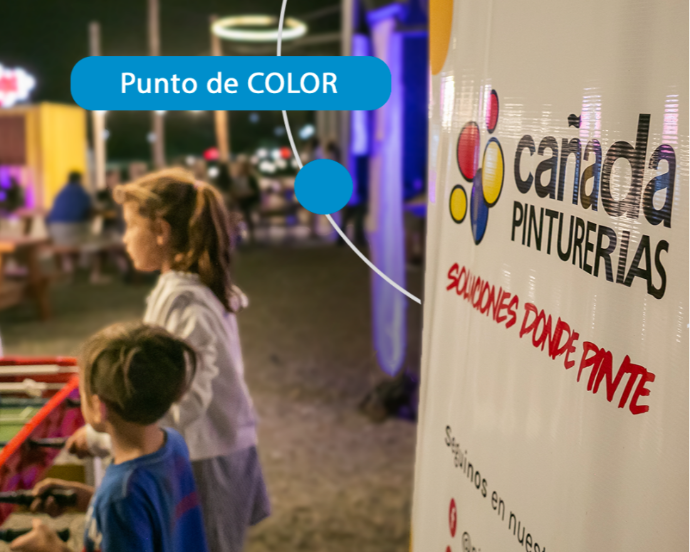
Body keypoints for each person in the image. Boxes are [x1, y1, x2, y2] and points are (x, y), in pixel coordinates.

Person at [66, 168, 270, 552]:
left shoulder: (187, 303)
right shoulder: (179, 290)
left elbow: (180, 402)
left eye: (131, 226)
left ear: (160, 231)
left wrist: (102, 434)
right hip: (204, 450)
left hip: (211, 456)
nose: (125, 238)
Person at [9, 323, 208, 552]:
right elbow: (151, 515)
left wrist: (53, 549)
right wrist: (90, 500)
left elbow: (128, 506)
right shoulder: (173, 443)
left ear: (98, 406)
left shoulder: (120, 497)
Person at [46, 171, 92, 248]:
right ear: (79, 179)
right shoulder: (81, 192)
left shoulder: (60, 192)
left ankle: (67, 256)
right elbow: (88, 209)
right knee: (90, 236)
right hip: (73, 230)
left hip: (55, 231)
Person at [229, 157, 261, 243]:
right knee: (237, 218)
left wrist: (244, 194)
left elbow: (255, 191)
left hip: (248, 202)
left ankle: (251, 236)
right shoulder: (236, 178)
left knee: (248, 216)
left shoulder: (250, 178)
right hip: (239, 201)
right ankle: (238, 235)